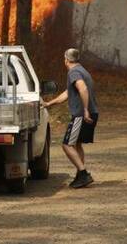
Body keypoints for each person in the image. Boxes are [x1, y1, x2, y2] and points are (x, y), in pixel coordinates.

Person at [42, 48, 99, 188]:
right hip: (91, 112)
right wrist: (49, 103)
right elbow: (67, 93)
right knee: (77, 143)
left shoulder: (74, 72)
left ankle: (83, 173)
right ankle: (80, 175)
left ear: (66, 60)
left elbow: (83, 89)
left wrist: (85, 110)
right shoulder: (82, 70)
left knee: (67, 144)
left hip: (81, 114)